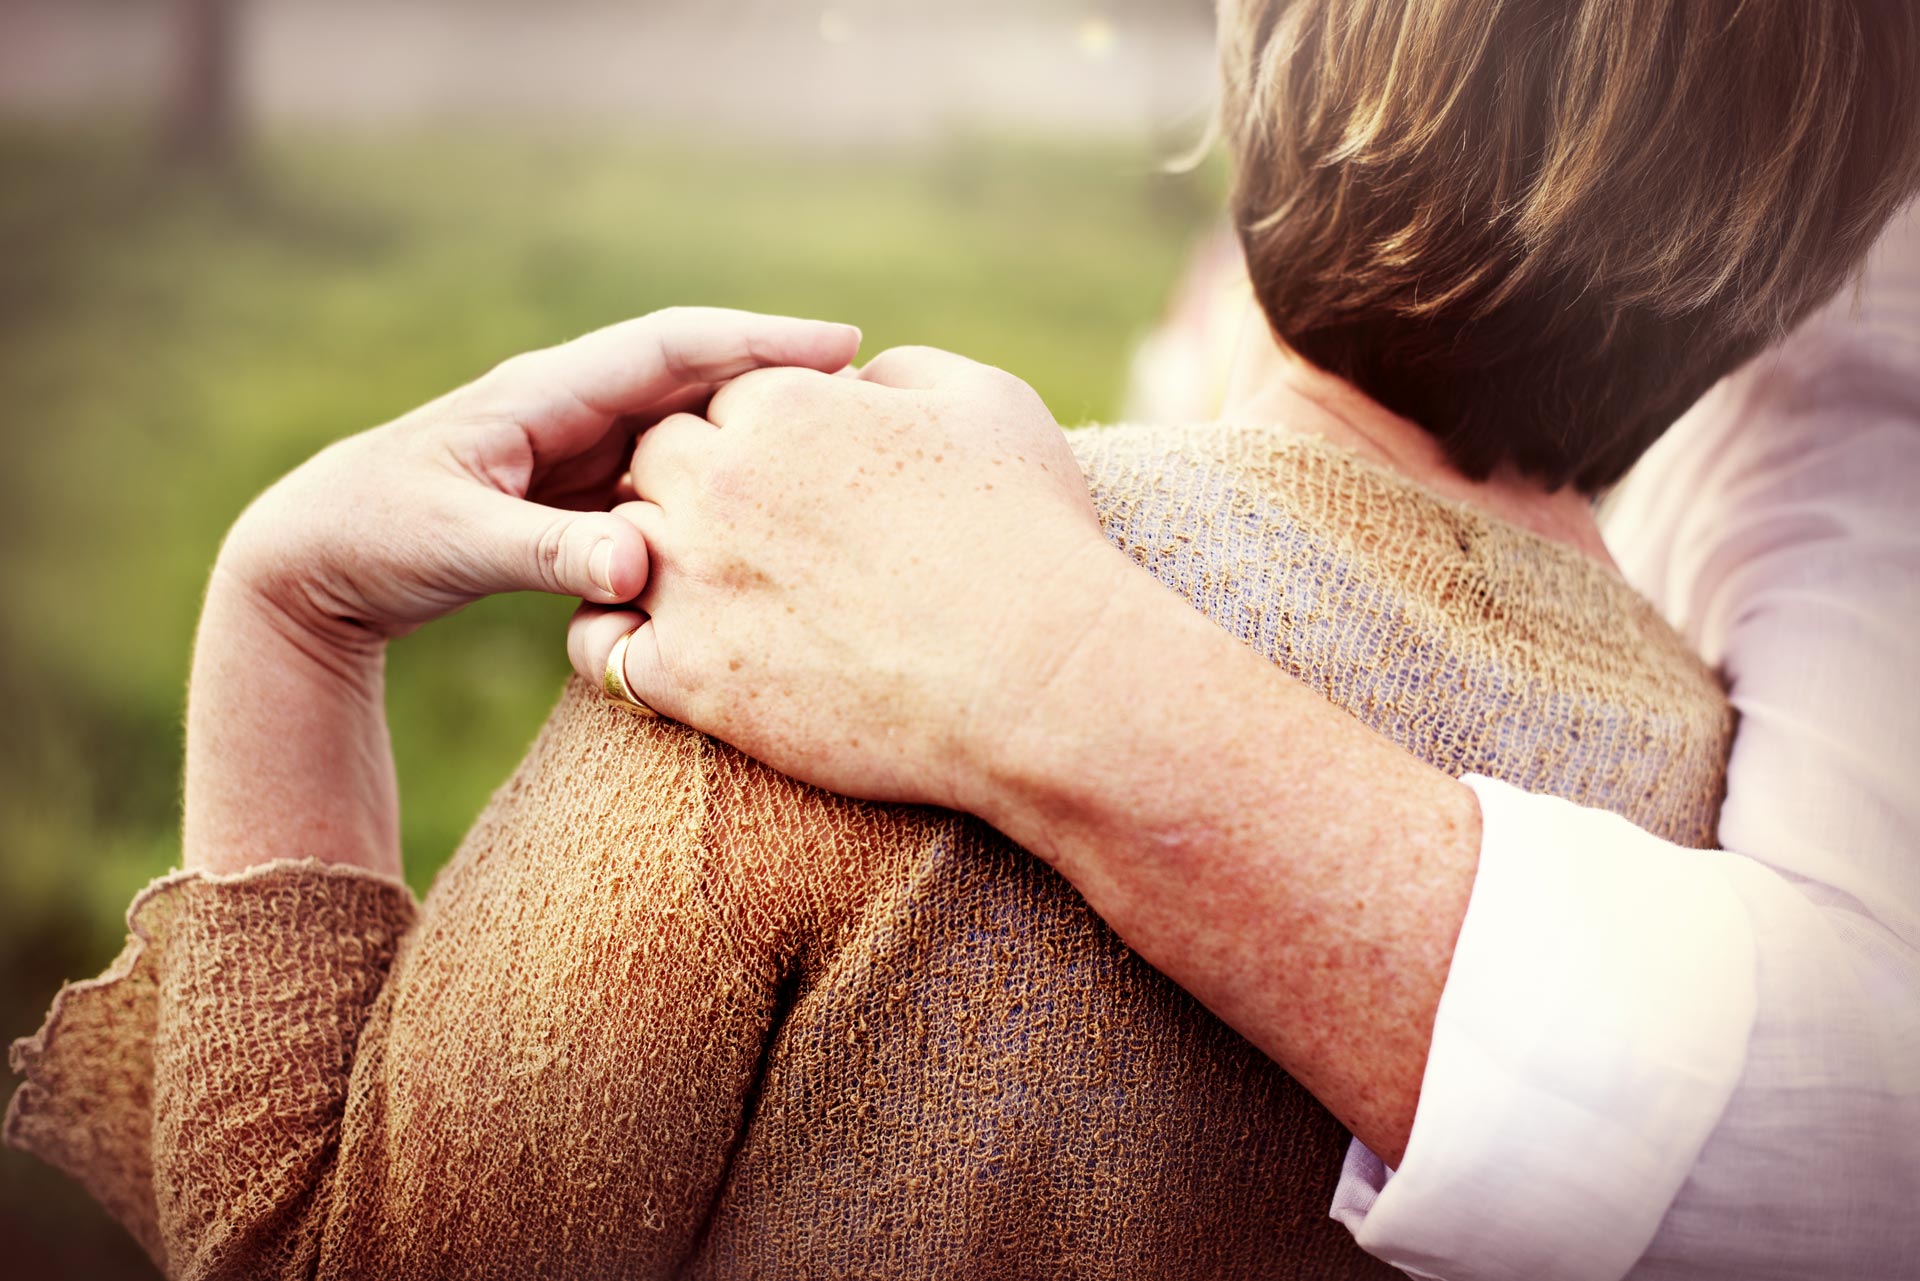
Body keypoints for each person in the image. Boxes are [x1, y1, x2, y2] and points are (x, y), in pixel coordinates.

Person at [7, 4, 1917, 1281]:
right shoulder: (1711, 839)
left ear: (1261, 59)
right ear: (1816, 261)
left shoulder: (817, 613)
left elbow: (315, 1249)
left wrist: (291, 616)